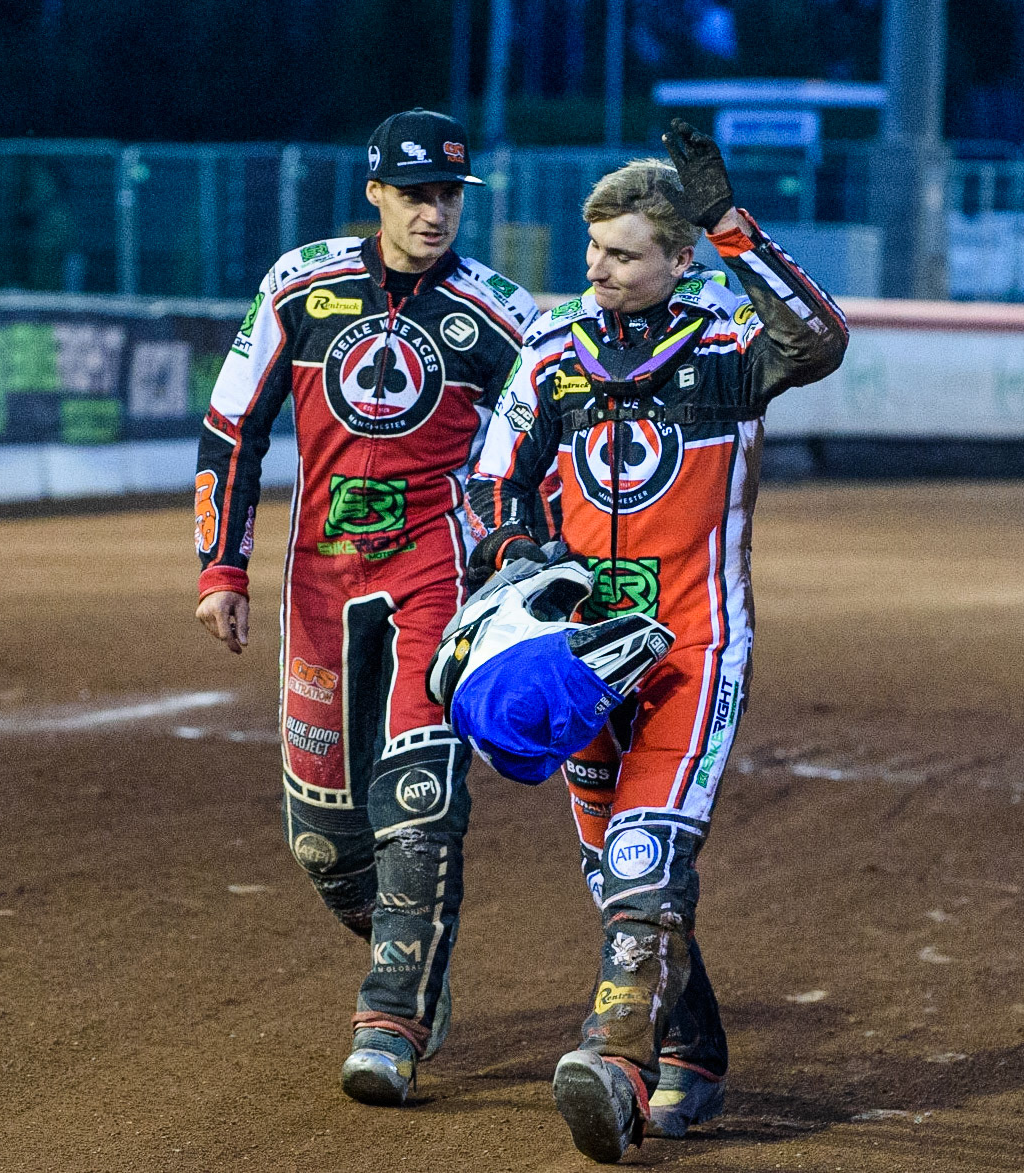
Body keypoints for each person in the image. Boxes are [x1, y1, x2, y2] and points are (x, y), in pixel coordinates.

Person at [465, 119, 847, 1161]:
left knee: (642, 862)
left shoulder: (727, 349)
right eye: (593, 249)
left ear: (678, 259)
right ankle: (699, 1053)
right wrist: (511, 548)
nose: (600, 269)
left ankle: (613, 1063)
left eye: (625, 252)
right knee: (620, 880)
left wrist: (730, 222)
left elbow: (820, 336)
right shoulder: (552, 350)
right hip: (584, 663)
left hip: (695, 649)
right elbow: (493, 473)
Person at [191, 107, 540, 1106]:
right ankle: (408, 933)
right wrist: (223, 569)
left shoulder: (503, 315)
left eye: (449, 198)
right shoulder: (297, 285)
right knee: (323, 848)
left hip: (437, 585)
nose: (435, 214)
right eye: (417, 194)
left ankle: (389, 1022)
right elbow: (230, 426)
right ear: (375, 193)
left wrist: (527, 569)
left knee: (418, 805)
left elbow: (548, 441)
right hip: (317, 588)